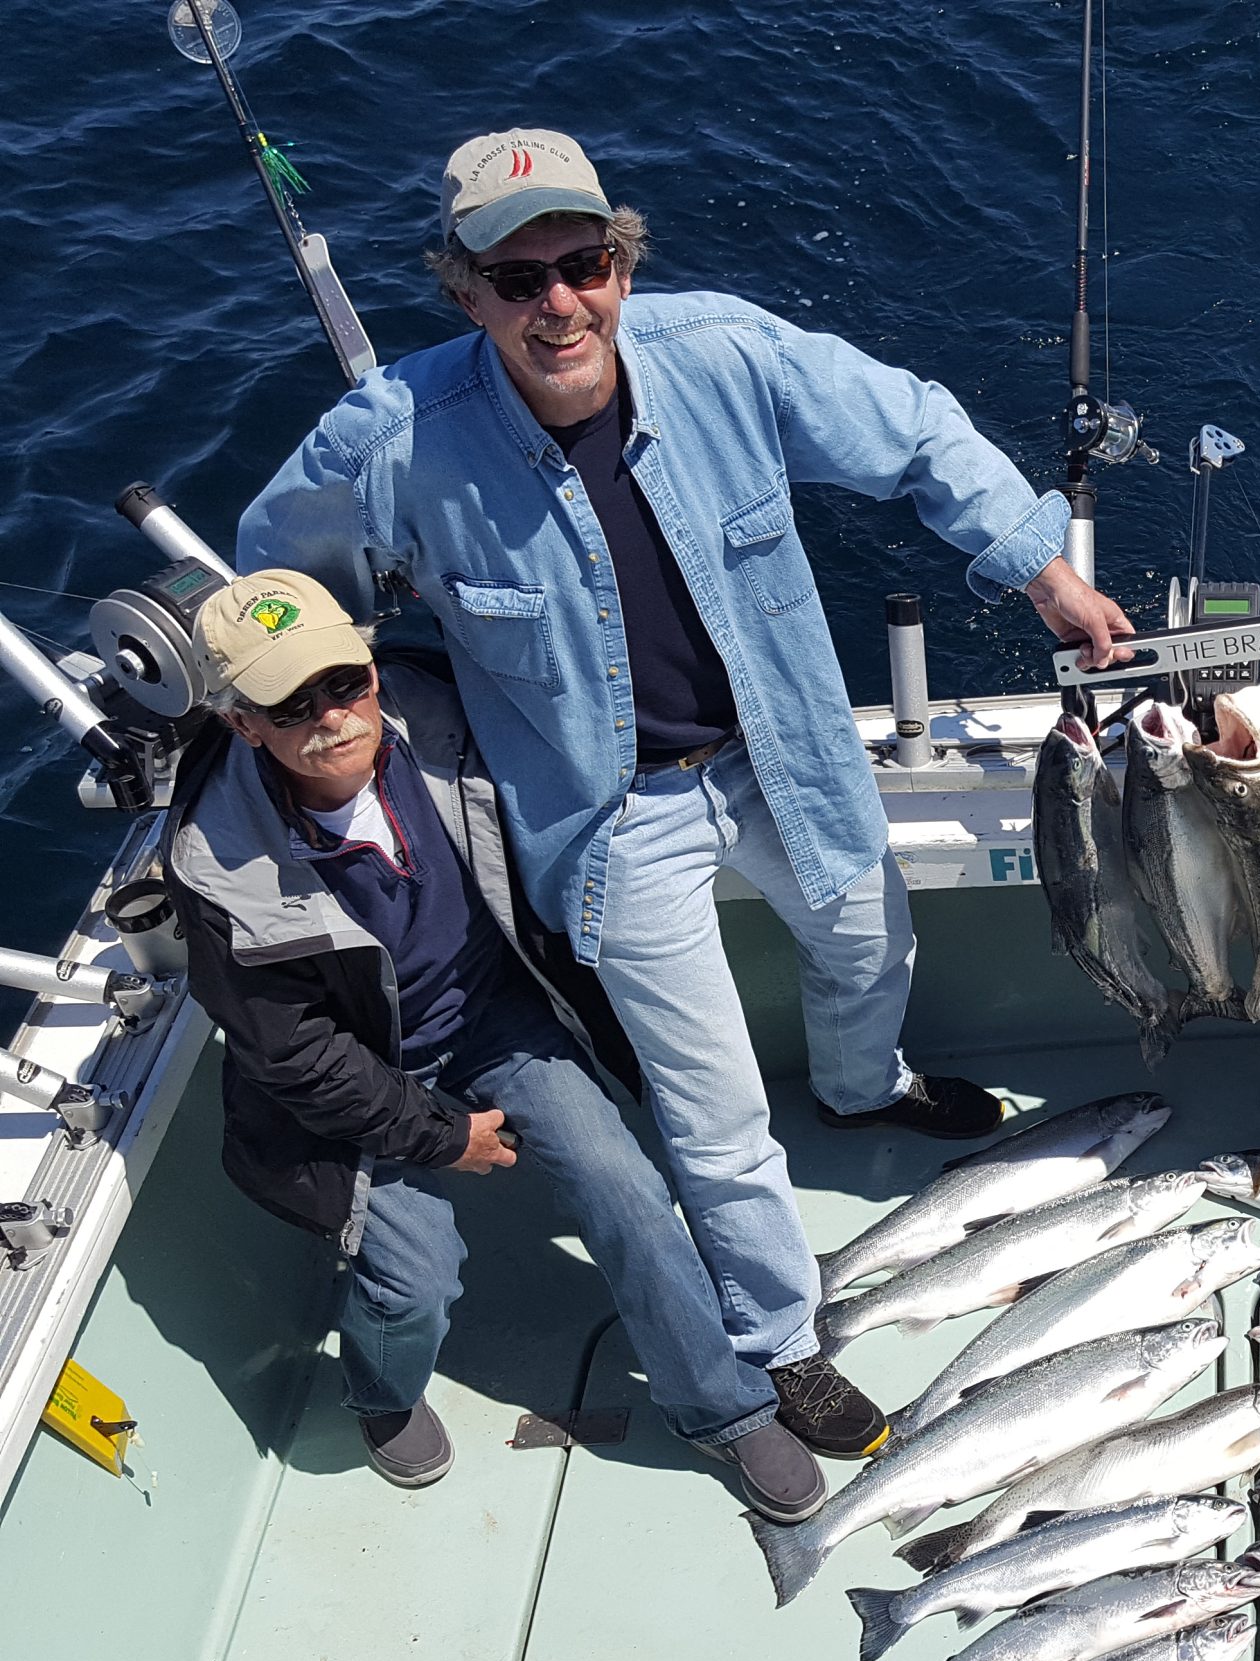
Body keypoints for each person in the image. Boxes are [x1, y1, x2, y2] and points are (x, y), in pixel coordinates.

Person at [236, 129, 1135, 1457]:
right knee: (712, 1112)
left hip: (789, 758)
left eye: (583, 264)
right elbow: (279, 578)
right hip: (613, 824)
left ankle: (862, 1085)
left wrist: (1044, 575)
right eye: (517, 276)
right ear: (465, 290)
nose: (559, 302)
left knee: (867, 937)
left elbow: (917, 433)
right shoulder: (393, 440)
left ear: (620, 265)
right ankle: (778, 1339)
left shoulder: (730, 353)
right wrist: (306, 693)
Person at [167, 569, 841, 1522]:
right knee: (415, 1284)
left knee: (629, 1191)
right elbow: (299, 1060)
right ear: (244, 724)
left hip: (495, 1017)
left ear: (369, 665)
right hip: (357, 1084)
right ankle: (381, 1393)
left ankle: (722, 1409)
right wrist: (446, 1137)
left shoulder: (434, 707)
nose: (330, 716)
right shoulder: (215, 866)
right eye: (290, 703)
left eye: (342, 682)